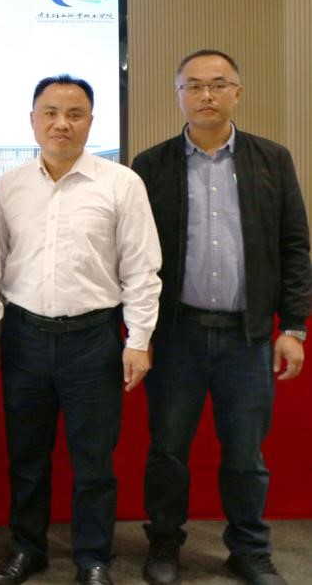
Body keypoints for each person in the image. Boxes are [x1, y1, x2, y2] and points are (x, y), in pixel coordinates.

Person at [133, 50, 309, 585]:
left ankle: (249, 549)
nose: (205, 95)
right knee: (168, 450)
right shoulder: (151, 165)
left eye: (217, 84)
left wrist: (293, 328)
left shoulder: (271, 159)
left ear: (237, 91)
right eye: (193, 86)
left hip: (247, 336)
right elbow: (136, 256)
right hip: (177, 334)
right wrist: (142, 331)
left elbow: (294, 246)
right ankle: (165, 542)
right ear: (178, 95)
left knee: (245, 454)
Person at [0, 75, 160, 585]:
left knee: (93, 461)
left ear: (90, 120)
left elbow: (141, 269)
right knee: (27, 457)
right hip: (24, 337)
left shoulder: (121, 183)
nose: (61, 123)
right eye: (50, 112)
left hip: (94, 341)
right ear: (32, 120)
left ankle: (93, 558)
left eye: (74, 113)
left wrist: (139, 340)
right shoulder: (10, 185)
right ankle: (27, 549)